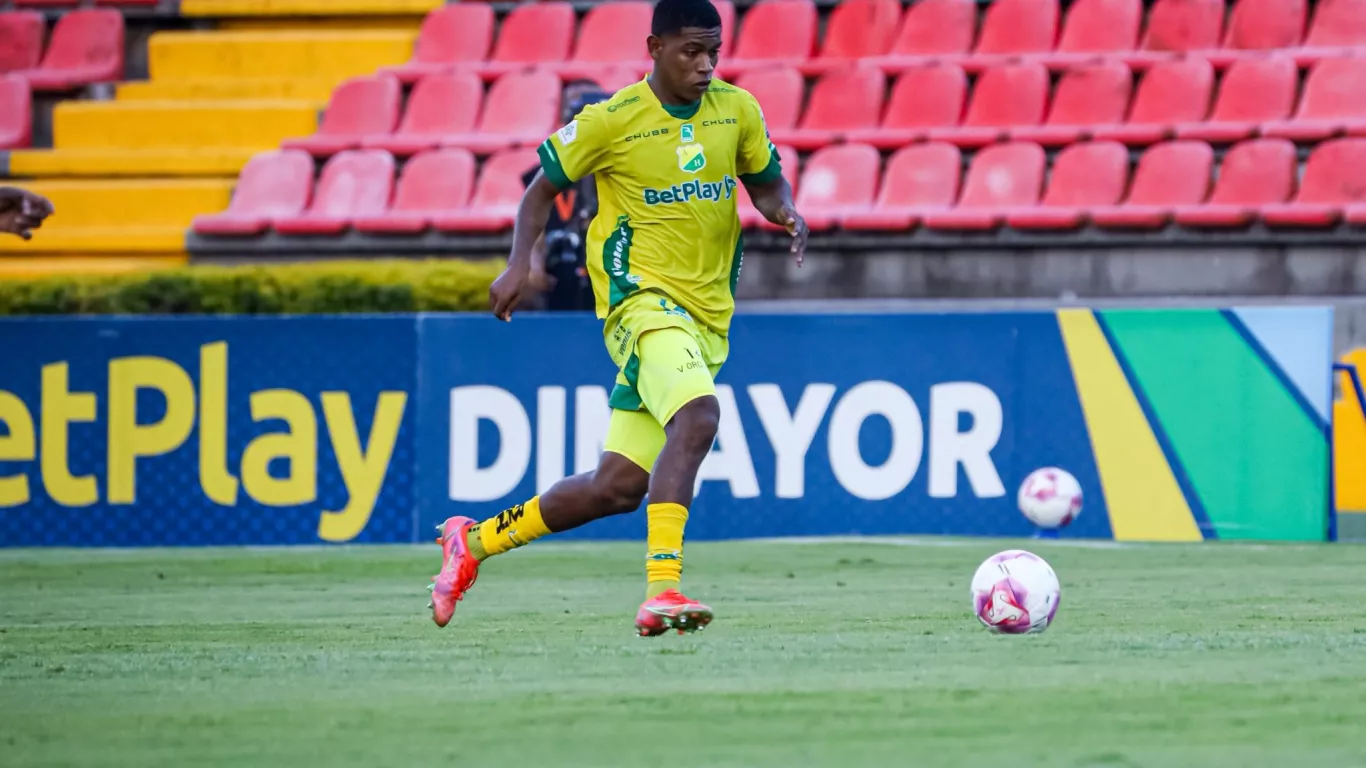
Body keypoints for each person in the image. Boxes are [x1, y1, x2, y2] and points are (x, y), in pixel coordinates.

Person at [428, 0, 808, 637]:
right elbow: (541, 189)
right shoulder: (609, 121)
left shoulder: (738, 110)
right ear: (654, 47)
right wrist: (519, 263)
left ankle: (474, 543)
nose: (706, 65)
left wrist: (787, 211)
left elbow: (765, 181)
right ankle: (663, 588)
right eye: (691, 51)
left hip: (708, 314)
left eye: (714, 51)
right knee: (700, 414)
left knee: (617, 487)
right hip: (640, 303)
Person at [521, 80, 610, 312]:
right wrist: (533, 262)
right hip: (562, 275)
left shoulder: (624, 168)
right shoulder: (546, 172)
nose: (577, 109)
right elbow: (534, 220)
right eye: (571, 105)